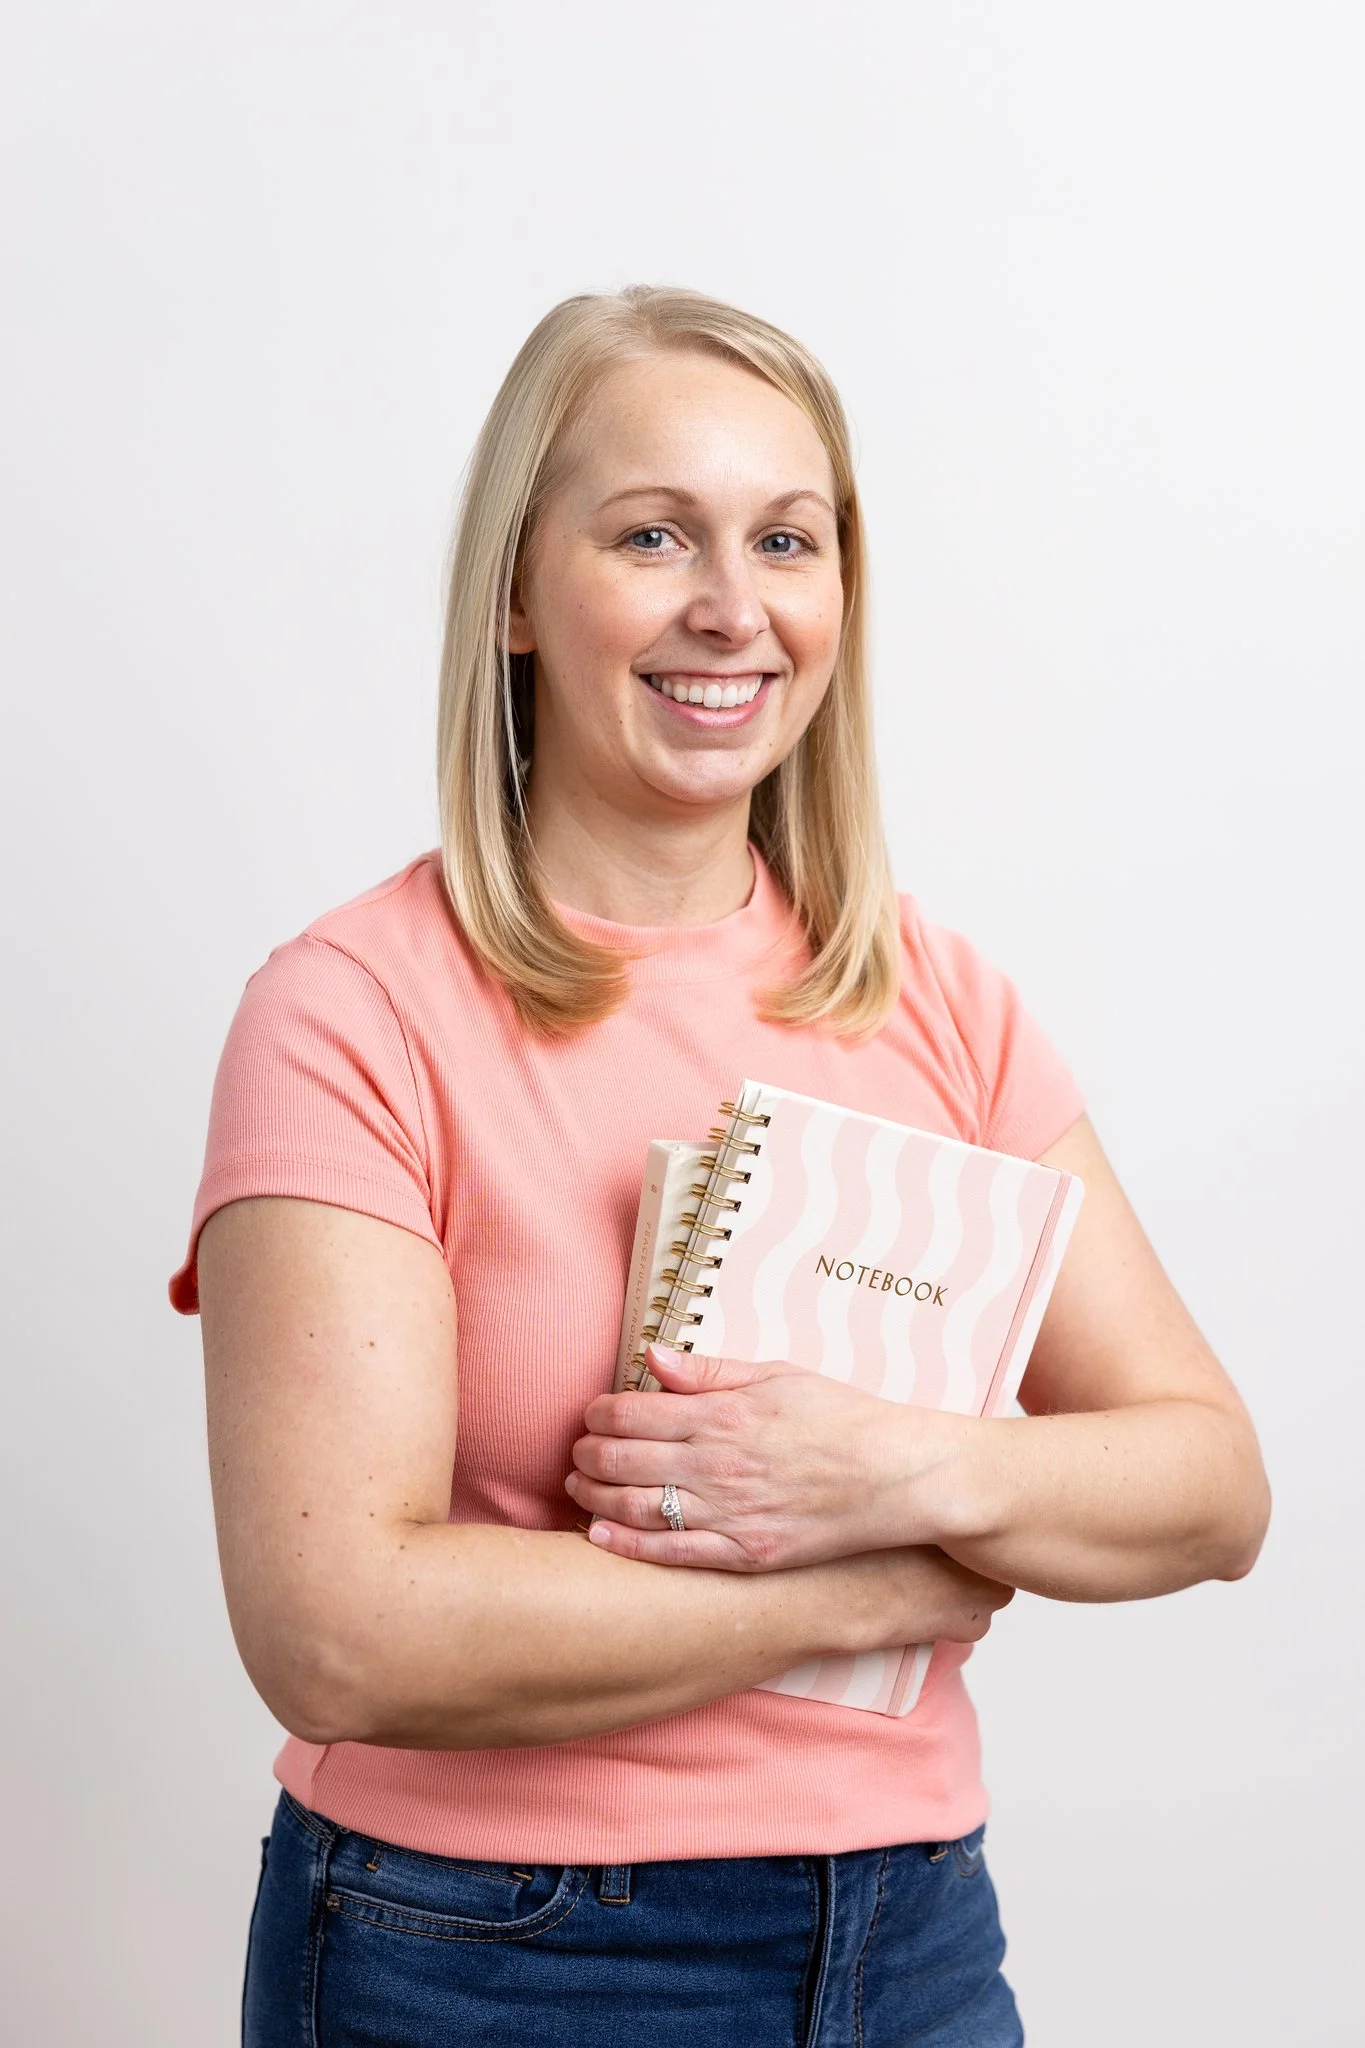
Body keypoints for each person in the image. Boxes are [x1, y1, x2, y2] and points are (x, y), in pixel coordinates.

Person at [169, 285, 1271, 2047]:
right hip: (486, 1954)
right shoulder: (352, 1013)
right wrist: (875, 1582)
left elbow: (1210, 1482)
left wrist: (887, 1467)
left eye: (788, 539)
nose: (733, 609)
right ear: (519, 594)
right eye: (653, 534)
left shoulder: (936, 995)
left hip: (908, 1932)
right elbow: (340, 1634)